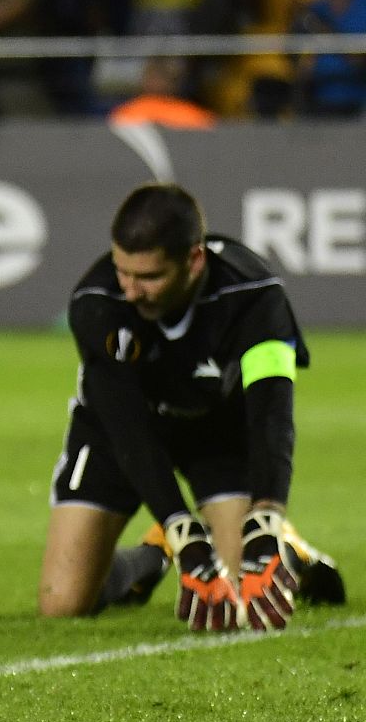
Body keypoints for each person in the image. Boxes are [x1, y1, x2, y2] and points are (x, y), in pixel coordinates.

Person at [38, 183, 344, 631]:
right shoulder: (97, 303)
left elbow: (271, 415)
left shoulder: (254, 297)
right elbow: (129, 430)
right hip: (119, 431)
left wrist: (267, 512)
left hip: (215, 429)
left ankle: (290, 551)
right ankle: (151, 555)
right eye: (123, 272)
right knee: (62, 603)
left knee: (246, 590)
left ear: (194, 260)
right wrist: (181, 529)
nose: (132, 291)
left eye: (150, 278)